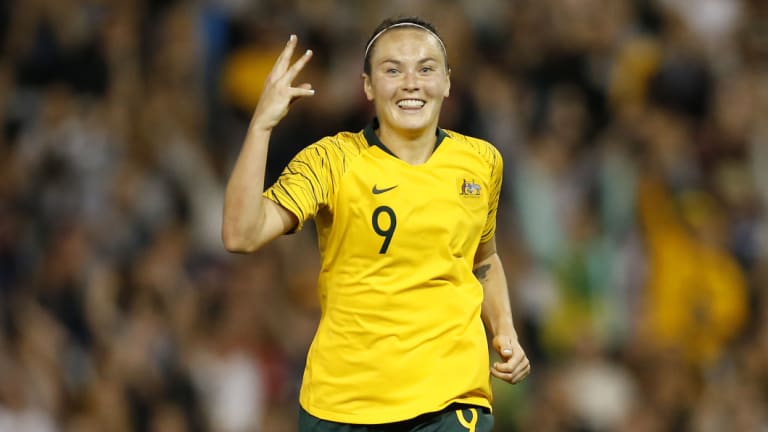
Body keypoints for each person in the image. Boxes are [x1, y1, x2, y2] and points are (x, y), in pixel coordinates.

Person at [222, 16, 530, 432]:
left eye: (425, 68)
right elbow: (241, 234)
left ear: (447, 82)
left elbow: (483, 259)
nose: (410, 83)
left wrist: (504, 330)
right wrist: (261, 126)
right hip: (342, 404)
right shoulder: (331, 160)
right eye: (392, 70)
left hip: (451, 401)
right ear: (367, 86)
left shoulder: (482, 161)